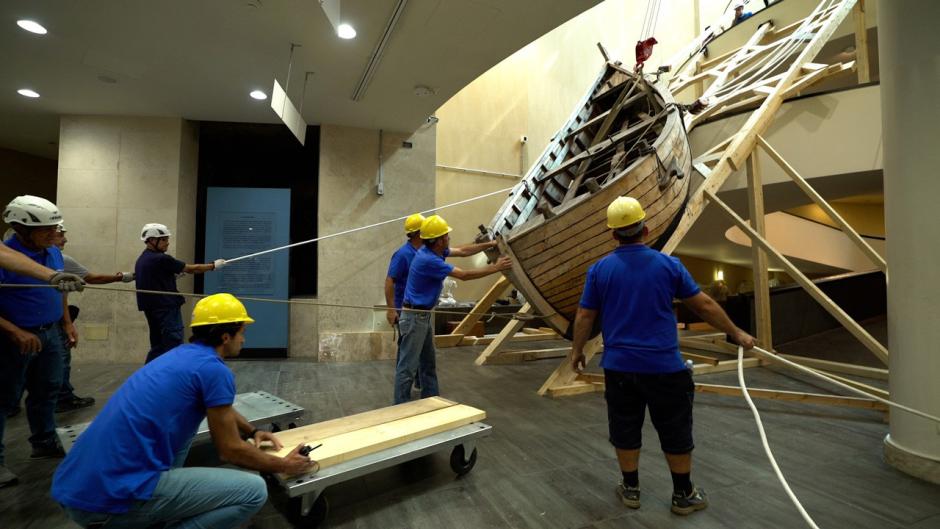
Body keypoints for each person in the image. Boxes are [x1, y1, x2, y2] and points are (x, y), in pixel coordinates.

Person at [52, 293, 317, 528]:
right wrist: (284, 465)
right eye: (242, 331)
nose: (244, 338)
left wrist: (253, 430)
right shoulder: (214, 370)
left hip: (76, 486)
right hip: (105, 502)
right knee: (254, 491)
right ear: (226, 336)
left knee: (188, 433)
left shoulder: (182, 355)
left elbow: (217, 406)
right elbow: (230, 450)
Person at [569, 197, 756, 515]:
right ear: (646, 228)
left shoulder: (599, 270)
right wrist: (737, 333)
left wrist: (576, 351)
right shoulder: (669, 265)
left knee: (625, 427)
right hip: (665, 368)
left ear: (613, 235)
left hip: (619, 368)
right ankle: (683, 495)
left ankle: (630, 489)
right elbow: (704, 305)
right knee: (675, 428)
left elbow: (585, 316)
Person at [0, 195, 79, 488]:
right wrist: (15, 331)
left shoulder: (53, 253)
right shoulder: (6, 256)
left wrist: (66, 322)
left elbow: (60, 288)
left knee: (48, 389)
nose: (54, 233)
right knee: (4, 400)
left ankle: (44, 441)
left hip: (50, 333)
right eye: (46, 229)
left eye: (54, 227)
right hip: (14, 338)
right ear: (21, 229)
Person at [394, 214, 512, 404]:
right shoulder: (430, 260)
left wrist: (488, 245)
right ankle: (399, 409)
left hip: (422, 316)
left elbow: (464, 251)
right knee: (407, 368)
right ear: (439, 240)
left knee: (428, 365)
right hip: (415, 318)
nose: (449, 238)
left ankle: (432, 402)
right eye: (446, 235)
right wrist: (496, 268)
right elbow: (464, 275)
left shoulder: (432, 251)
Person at [53, 222, 134, 412]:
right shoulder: (60, 259)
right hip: (44, 322)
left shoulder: (57, 259)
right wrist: (122, 277)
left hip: (49, 319)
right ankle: (62, 398)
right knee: (60, 359)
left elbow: (61, 295)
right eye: (60, 234)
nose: (65, 238)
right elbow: (93, 278)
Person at [135, 223, 225, 363]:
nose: (167, 243)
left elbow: (156, 277)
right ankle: (173, 376)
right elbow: (192, 269)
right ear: (152, 240)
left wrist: (172, 276)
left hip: (153, 308)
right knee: (173, 343)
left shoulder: (143, 258)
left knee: (158, 346)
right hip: (166, 308)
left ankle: (150, 375)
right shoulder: (161, 258)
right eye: (164, 239)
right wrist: (213, 266)